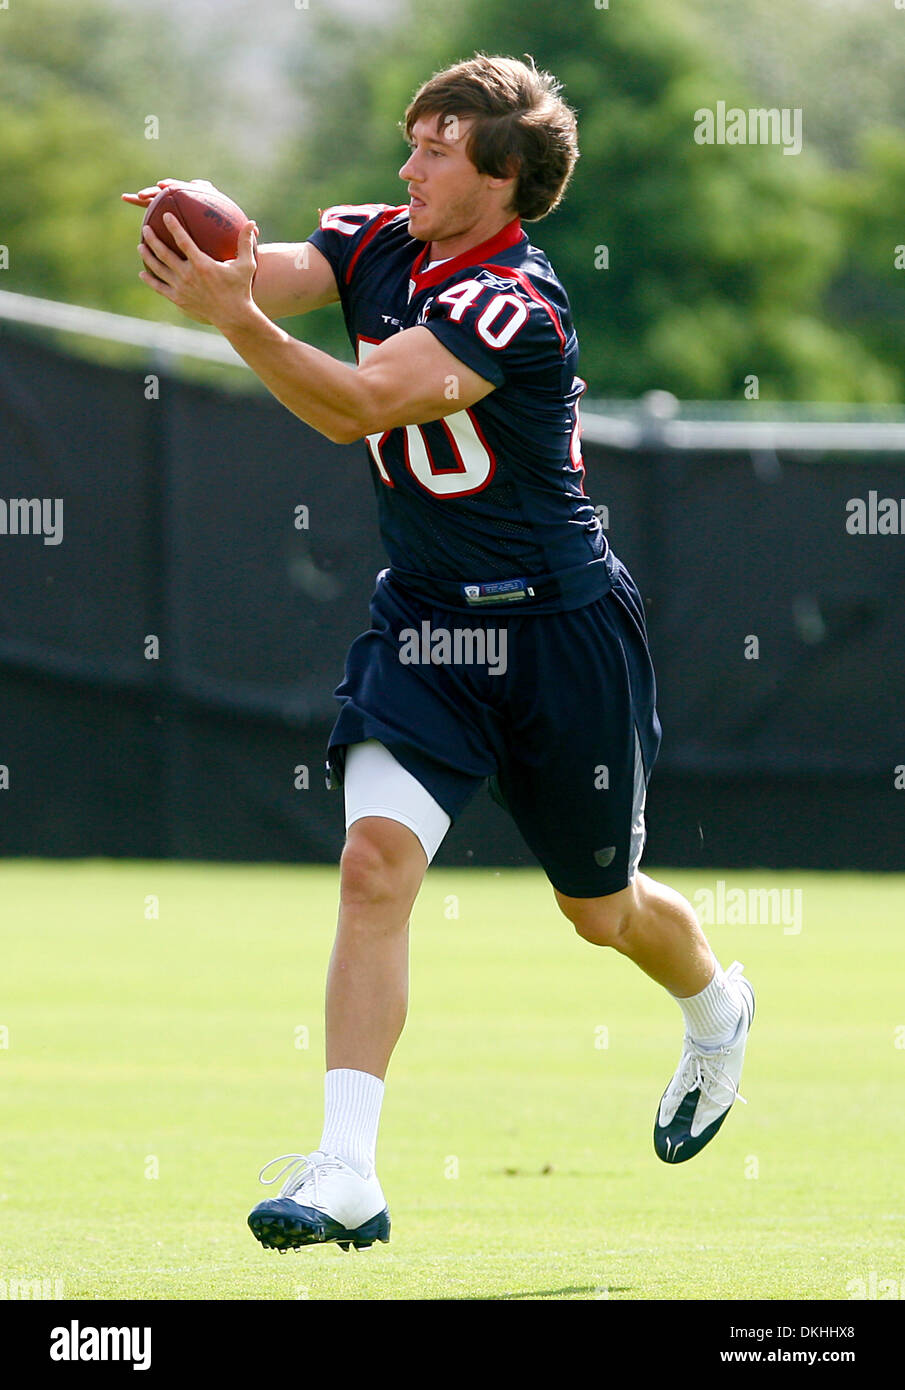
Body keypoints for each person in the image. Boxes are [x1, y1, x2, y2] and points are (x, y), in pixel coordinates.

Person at [123, 53, 754, 1255]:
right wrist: (201, 239)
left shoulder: (513, 301)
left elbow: (362, 402)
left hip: (560, 633)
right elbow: (284, 273)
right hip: (424, 623)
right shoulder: (379, 240)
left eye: (434, 148)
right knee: (373, 867)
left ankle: (717, 1005)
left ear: (503, 176)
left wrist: (236, 318)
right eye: (409, 140)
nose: (405, 164)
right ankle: (345, 1168)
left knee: (602, 911)